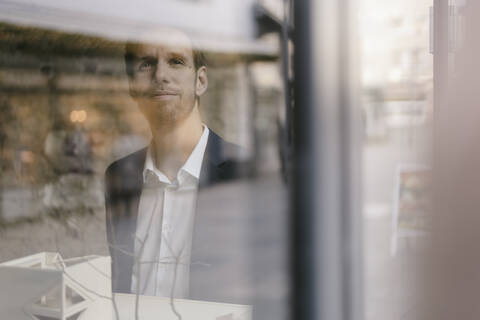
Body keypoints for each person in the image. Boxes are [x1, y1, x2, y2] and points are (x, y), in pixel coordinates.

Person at [104, 28, 247, 303]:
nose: (160, 75)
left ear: (200, 81)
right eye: (146, 64)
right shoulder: (119, 175)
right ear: (132, 84)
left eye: (176, 62)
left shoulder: (243, 174)